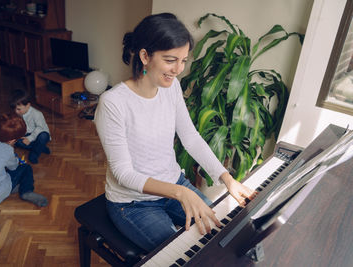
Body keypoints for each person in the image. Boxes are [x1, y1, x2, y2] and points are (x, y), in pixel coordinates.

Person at [94, 13, 256, 252]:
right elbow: (123, 174)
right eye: (171, 60)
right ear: (145, 56)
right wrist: (180, 192)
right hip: (133, 204)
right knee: (187, 253)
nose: (178, 69)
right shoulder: (113, 103)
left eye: (183, 60)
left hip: (175, 183)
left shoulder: (171, 88)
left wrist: (227, 179)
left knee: (223, 237)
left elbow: (190, 137)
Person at [9, 89, 51, 164]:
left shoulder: (37, 114)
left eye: (18, 109)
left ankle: (34, 154)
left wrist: (29, 139)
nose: (16, 111)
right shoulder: (19, 113)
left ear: (28, 105)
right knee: (16, 141)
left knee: (44, 136)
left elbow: (40, 128)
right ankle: (40, 148)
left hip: (39, 134)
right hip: (27, 134)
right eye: (14, 109)